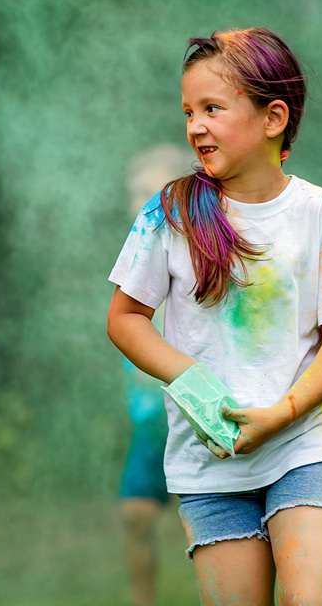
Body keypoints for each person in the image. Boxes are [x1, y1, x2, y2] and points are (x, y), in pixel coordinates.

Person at [106, 28, 322, 606]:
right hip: (210, 461)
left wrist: (281, 413)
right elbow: (126, 316)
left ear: (272, 117)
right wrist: (189, 378)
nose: (194, 125)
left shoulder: (319, 212)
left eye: (212, 108)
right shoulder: (170, 213)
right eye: (188, 111)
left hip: (303, 442)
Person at [119, 144, 189, 606]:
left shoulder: (192, 253)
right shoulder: (135, 254)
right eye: (136, 193)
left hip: (193, 413)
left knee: (209, 520)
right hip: (150, 421)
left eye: (155, 192)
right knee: (135, 516)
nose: (144, 202)